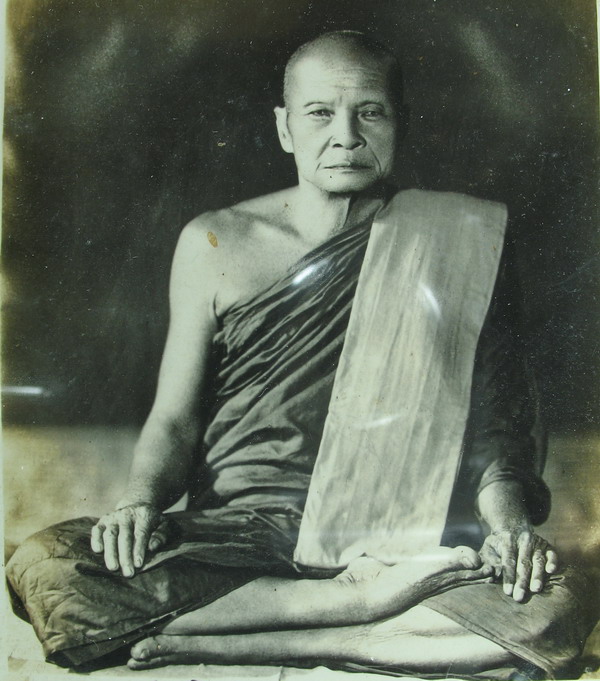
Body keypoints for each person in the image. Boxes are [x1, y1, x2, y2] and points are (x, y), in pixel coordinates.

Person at [7, 30, 597, 679]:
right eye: (320, 113)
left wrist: (509, 530)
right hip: (241, 533)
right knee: (47, 565)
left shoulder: (461, 241)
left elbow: (494, 434)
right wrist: (139, 503)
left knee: (559, 602)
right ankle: (356, 610)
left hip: (403, 536)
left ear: (400, 124)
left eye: (370, 112)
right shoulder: (216, 241)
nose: (346, 135)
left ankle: (255, 638)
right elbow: (173, 419)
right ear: (285, 129)